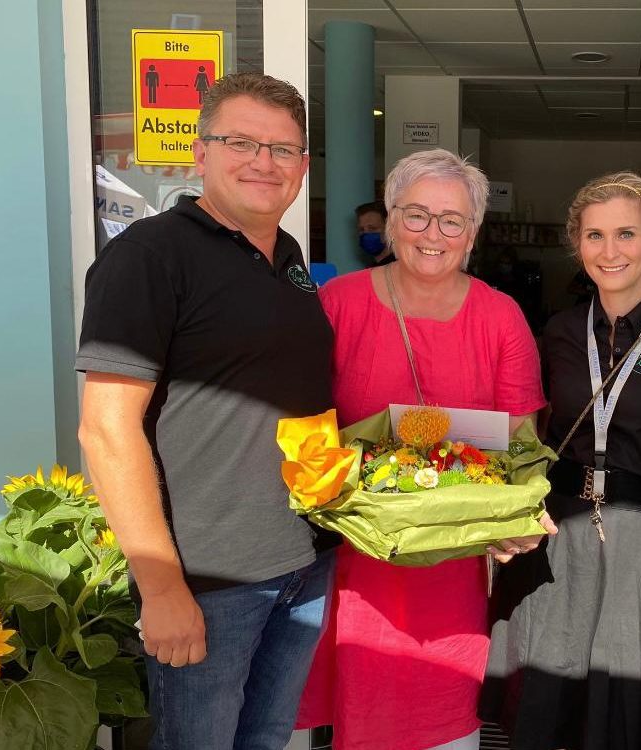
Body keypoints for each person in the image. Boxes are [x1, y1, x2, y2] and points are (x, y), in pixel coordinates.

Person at [76, 73, 335, 749]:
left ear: (303, 166)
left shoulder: (289, 259)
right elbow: (105, 429)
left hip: (303, 562)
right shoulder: (149, 255)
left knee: (266, 740)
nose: (263, 162)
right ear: (200, 152)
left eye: (282, 149)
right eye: (240, 142)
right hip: (210, 581)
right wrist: (161, 587)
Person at [297, 148, 553, 750]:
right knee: (358, 710)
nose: (432, 234)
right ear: (390, 221)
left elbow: (520, 446)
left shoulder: (501, 318)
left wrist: (518, 517)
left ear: (473, 233)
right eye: (416, 215)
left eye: (452, 220)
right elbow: (305, 428)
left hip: (455, 564)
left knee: (447, 720)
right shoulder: (338, 305)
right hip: (356, 561)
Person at [481, 172, 641, 749]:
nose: (610, 251)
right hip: (559, 535)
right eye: (594, 236)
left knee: (630, 710)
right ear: (578, 244)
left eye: (625, 234)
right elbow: (529, 441)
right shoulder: (558, 332)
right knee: (550, 702)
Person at [356, 200, 393, 264]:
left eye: (372, 228)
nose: (365, 233)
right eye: (361, 229)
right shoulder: (373, 267)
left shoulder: (402, 266)